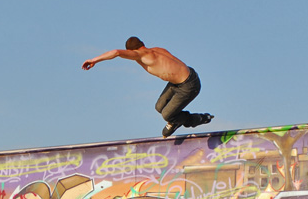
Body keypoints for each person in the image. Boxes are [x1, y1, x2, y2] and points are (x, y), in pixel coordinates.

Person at [83, 36, 213, 137]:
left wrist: (94, 60)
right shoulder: (156, 49)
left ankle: (198, 118)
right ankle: (175, 120)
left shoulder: (142, 55)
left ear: (131, 52)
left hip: (189, 85)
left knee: (167, 115)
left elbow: (116, 52)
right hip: (181, 80)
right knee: (159, 107)